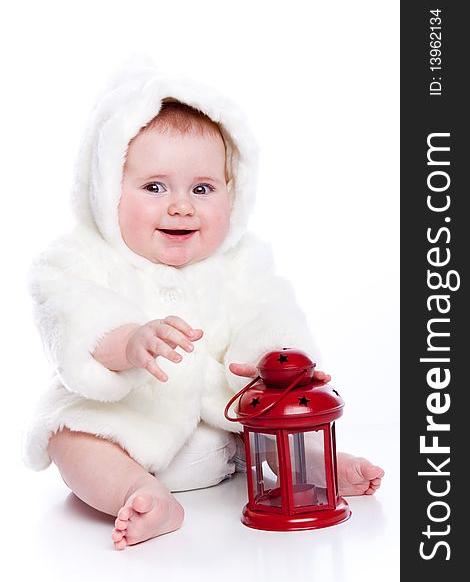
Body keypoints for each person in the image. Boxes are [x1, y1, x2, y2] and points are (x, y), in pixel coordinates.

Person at [23, 62, 384, 550]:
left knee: (274, 423)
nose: (181, 206)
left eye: (202, 188)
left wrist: (282, 362)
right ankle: (140, 493)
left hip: (221, 430)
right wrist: (128, 342)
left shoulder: (241, 261)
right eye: (154, 187)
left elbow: (268, 312)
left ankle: (317, 469)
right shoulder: (79, 258)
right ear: (108, 191)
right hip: (125, 428)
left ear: (232, 195)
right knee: (70, 439)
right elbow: (70, 316)